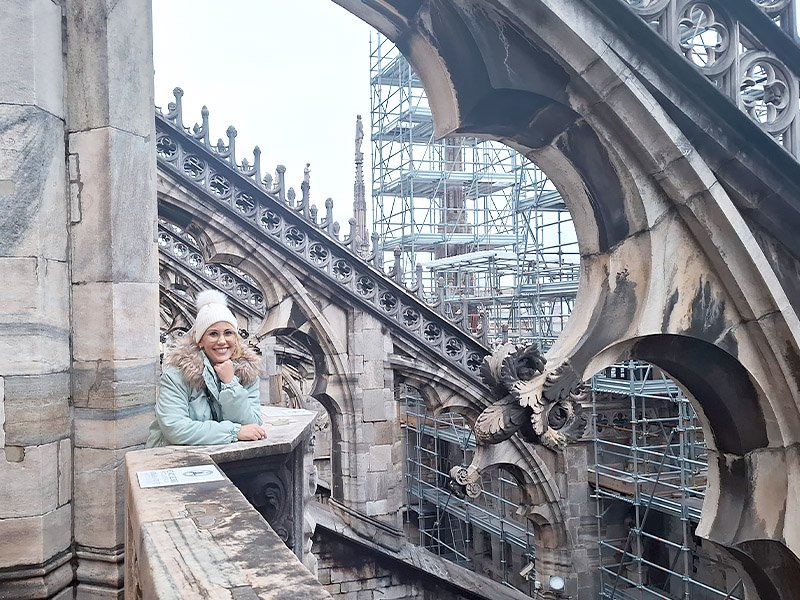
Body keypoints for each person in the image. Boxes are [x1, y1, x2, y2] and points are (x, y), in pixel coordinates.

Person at [146, 290, 266, 447]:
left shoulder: (247, 372)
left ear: (236, 338)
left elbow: (252, 425)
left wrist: (230, 383)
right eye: (213, 334)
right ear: (200, 340)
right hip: (173, 459)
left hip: (222, 458)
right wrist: (234, 432)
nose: (222, 341)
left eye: (228, 333)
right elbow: (175, 428)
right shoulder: (177, 374)